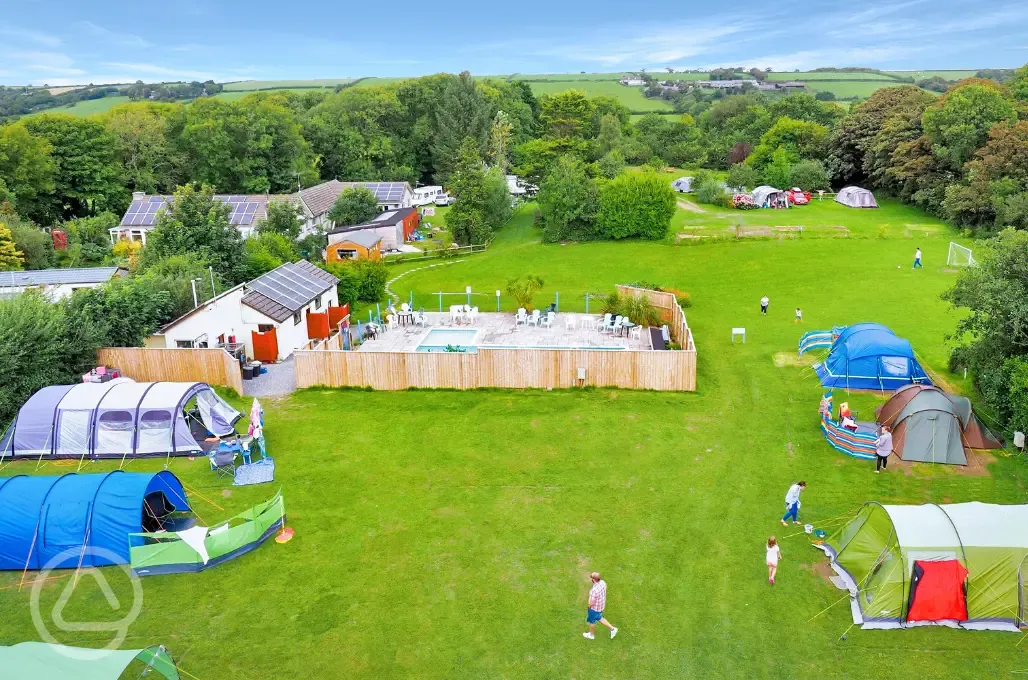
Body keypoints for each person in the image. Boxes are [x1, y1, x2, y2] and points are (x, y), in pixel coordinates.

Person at [583, 572, 618, 640]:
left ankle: (591, 635)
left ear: (593, 579)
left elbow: (591, 603)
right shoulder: (602, 582)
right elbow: (605, 588)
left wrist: (589, 607)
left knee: (592, 621)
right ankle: (613, 629)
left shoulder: (594, 591)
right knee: (599, 617)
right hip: (601, 606)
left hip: (594, 609)